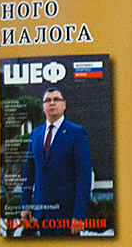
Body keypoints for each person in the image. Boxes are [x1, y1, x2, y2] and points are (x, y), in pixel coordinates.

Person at [21, 88, 92, 234]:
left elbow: (83, 177)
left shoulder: (77, 133)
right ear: (43, 107)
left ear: (64, 105)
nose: (52, 103)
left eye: (56, 99)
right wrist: (25, 205)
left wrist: (79, 214)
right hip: (42, 213)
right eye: (47, 100)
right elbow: (28, 173)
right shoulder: (35, 134)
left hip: (67, 214)